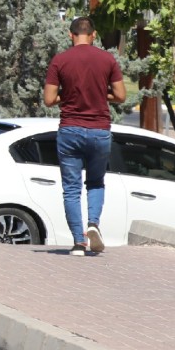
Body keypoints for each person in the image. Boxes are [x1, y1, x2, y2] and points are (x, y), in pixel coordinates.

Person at [42, 16, 126, 256]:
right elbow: (120, 95)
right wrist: (101, 94)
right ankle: (93, 224)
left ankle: (79, 242)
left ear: (71, 35)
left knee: (71, 188)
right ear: (93, 35)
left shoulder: (60, 61)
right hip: (100, 130)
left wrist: (67, 96)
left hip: (70, 130)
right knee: (96, 182)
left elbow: (49, 100)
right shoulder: (107, 59)